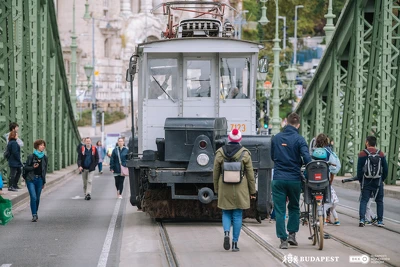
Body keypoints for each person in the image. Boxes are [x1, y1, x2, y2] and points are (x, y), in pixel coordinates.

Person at [271, 112, 311, 249]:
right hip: (294, 179)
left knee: (280, 209)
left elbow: (272, 156)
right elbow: (307, 159)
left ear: (286, 123)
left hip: (278, 179)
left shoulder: (276, 138)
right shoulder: (300, 139)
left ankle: (282, 240)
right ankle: (292, 235)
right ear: (298, 125)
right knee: (294, 207)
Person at [213, 128, 256, 252]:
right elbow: (250, 174)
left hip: (224, 186)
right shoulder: (245, 153)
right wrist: (252, 191)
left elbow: (215, 172)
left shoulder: (220, 152)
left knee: (226, 212)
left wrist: (216, 188)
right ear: (240, 139)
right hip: (240, 187)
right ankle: (235, 243)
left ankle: (226, 233)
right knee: (237, 214)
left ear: (229, 138)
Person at [357, 136, 388, 227]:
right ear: (375, 143)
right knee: (379, 201)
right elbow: (385, 169)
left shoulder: (362, 154)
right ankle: (380, 221)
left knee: (364, 200)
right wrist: (382, 179)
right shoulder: (381, 154)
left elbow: (359, 170)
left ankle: (362, 219)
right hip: (378, 181)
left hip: (366, 181)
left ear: (367, 143)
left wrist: (360, 180)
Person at [311, 147, 340, 226]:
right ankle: (336, 220)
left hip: (313, 186)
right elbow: (330, 176)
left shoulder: (311, 166)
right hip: (327, 191)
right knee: (332, 209)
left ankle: (321, 220)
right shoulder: (326, 166)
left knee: (319, 204)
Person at [24, 139, 48, 222]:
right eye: (41, 145)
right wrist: (33, 167)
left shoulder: (45, 157)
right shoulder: (31, 156)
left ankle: (35, 212)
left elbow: (44, 171)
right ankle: (34, 214)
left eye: (43, 145)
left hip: (40, 179)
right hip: (31, 179)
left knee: (37, 198)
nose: (43, 146)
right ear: (37, 146)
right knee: (33, 197)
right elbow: (25, 168)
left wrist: (44, 181)